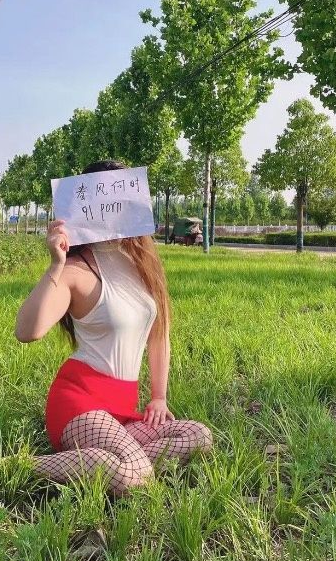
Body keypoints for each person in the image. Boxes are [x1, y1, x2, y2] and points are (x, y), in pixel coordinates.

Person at [14, 159, 214, 497]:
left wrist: (159, 397)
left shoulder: (142, 263)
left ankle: (104, 463)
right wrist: (55, 265)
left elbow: (159, 334)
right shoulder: (75, 270)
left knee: (198, 436)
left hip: (121, 407)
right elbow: (26, 331)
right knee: (134, 475)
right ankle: (20, 465)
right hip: (79, 401)